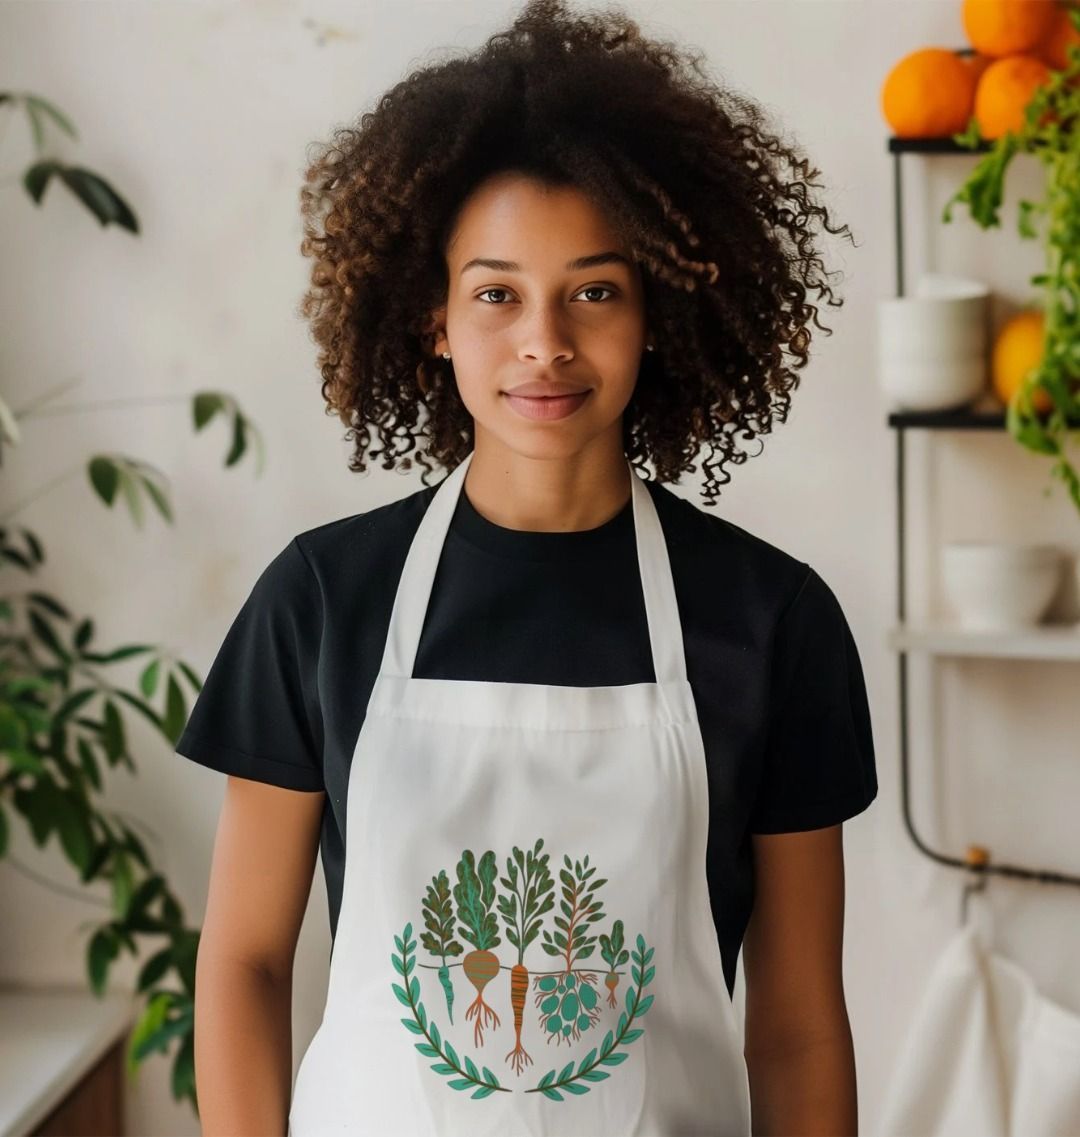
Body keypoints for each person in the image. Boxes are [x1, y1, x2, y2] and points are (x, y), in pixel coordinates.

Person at [177, 1, 877, 1133]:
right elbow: (246, 963)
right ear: (437, 321)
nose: (545, 341)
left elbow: (797, 1025)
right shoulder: (321, 601)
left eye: (595, 291)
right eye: (497, 294)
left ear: (659, 312)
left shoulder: (771, 619)